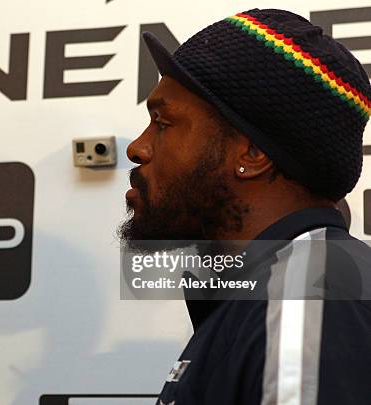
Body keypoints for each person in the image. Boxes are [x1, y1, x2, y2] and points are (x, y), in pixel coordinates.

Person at [120, 8, 371, 405]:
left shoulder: (302, 300)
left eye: (163, 123)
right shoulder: (276, 292)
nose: (137, 147)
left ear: (252, 153)